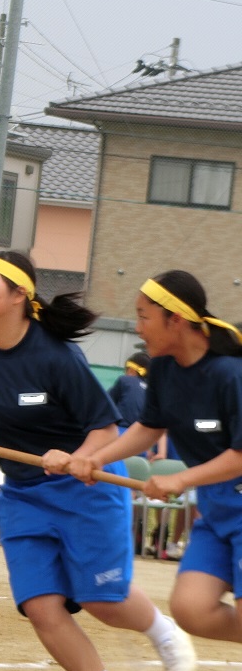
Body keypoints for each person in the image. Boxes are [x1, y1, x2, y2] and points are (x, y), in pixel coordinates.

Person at [0, 251, 197, 671]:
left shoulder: (57, 355)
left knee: (103, 601)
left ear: (19, 295)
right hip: (23, 493)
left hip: (85, 489)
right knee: (42, 607)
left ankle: (164, 632)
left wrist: (78, 458)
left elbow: (105, 429)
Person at [72, 270, 242, 650]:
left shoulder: (231, 373)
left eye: (143, 316)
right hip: (218, 509)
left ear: (175, 320)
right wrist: (96, 459)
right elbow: (149, 427)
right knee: (191, 609)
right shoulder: (163, 367)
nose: (138, 328)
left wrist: (181, 479)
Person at [109, 351, 149, 432]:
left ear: (131, 370)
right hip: (143, 434)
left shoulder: (125, 380)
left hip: (120, 430)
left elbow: (106, 403)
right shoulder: (152, 389)